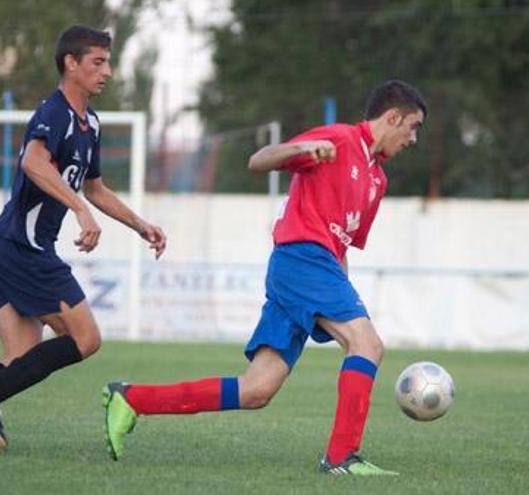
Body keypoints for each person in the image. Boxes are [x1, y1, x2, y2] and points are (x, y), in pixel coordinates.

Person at [102, 80, 425, 475]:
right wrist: (302, 149)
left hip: (314, 268)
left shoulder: (378, 181)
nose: (413, 138)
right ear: (392, 116)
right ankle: (341, 458)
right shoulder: (340, 139)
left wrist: (346, 293)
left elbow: (341, 247)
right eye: (412, 126)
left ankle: (132, 399)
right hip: (301, 259)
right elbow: (259, 160)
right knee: (368, 345)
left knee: (257, 389)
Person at [0, 25, 166, 456]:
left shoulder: (91, 124)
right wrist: (80, 211)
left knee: (20, 357)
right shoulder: (55, 112)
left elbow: (96, 188)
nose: (106, 71)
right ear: (71, 63)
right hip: (22, 249)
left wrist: (141, 225)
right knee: (86, 339)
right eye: (97, 62)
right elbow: (32, 161)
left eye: (107, 62)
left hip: (7, 247)